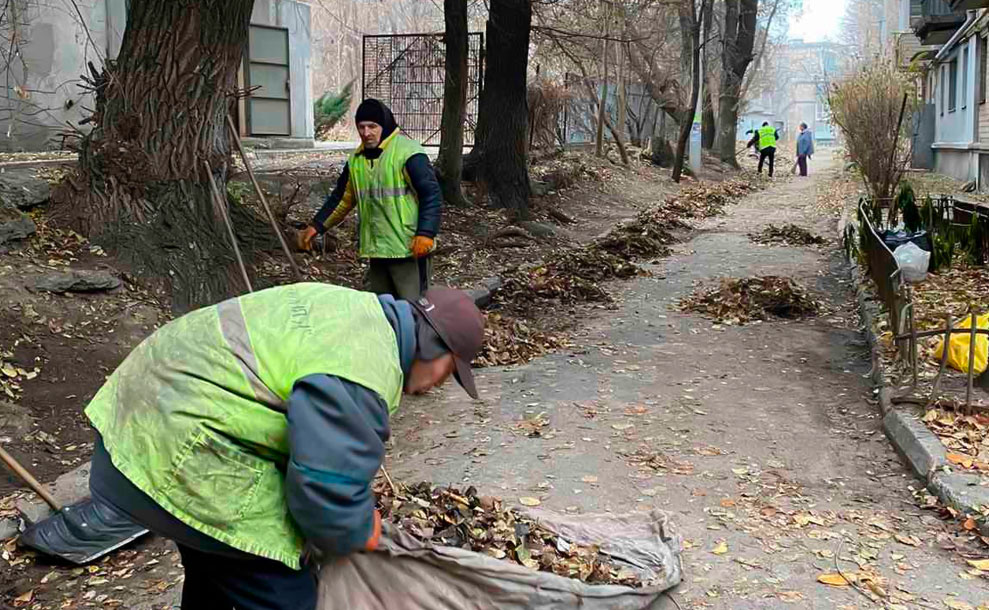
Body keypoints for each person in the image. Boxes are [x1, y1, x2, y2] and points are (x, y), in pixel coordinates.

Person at [85, 283, 484, 610]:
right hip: (177, 448)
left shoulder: (356, 310)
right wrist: (361, 528)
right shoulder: (363, 368)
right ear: (435, 348)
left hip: (137, 419)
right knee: (283, 588)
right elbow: (324, 497)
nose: (440, 383)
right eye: (450, 371)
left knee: (217, 570)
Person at [297, 99, 442, 301]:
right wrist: (317, 226)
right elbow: (342, 199)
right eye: (361, 127)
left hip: (409, 249)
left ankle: (416, 334)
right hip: (377, 250)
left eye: (372, 127)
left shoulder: (408, 153)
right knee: (382, 307)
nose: (366, 133)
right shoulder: (356, 160)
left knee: (414, 307)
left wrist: (426, 233)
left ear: (385, 126)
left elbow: (431, 195)